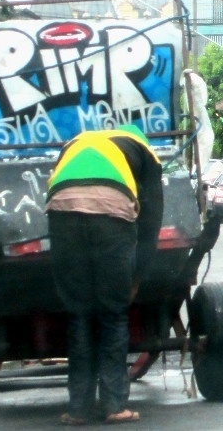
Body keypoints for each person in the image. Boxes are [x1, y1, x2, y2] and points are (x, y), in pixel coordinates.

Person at [45, 125, 163, 426]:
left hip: (61, 209)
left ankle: (78, 410)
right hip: (111, 213)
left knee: (80, 314)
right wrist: (136, 278)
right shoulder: (144, 152)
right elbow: (150, 224)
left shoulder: (75, 141)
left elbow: (57, 183)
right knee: (112, 314)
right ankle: (114, 406)